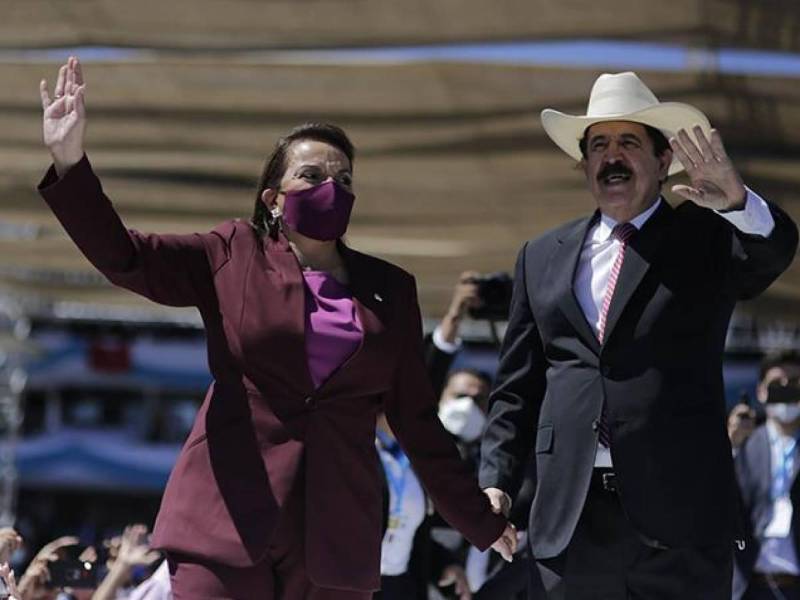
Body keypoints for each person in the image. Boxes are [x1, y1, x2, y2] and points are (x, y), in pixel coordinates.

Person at [38, 57, 516, 600]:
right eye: (311, 176)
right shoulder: (230, 252)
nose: (330, 188)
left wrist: (480, 521)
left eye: (344, 179)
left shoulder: (392, 290)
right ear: (273, 197)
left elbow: (416, 421)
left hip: (334, 539)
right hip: (226, 519)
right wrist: (70, 161)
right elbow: (126, 257)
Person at [478, 70, 798, 599]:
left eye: (629, 142)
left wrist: (739, 202)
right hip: (569, 526)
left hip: (680, 527)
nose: (612, 155)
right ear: (584, 164)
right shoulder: (541, 257)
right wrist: (495, 481)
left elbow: (772, 253)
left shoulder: (706, 236)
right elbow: (516, 388)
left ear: (663, 160)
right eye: (599, 144)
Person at [732, 351, 800, 600]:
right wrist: (733, 447)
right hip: (752, 585)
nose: (785, 391)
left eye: (794, 384)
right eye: (776, 385)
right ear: (761, 391)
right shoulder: (746, 445)